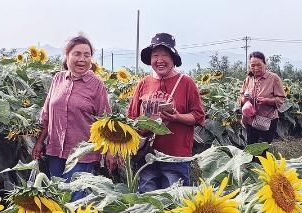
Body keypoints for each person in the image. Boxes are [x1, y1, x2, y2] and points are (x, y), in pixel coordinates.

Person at [31, 35, 116, 200]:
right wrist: (40, 142)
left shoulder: (96, 85)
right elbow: (47, 115)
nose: (82, 59)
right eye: (77, 54)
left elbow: (106, 121)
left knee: (75, 202)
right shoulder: (58, 79)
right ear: (67, 55)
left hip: (82, 156)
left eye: (87, 55)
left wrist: (110, 152)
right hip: (55, 151)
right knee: (57, 198)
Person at [128, 33, 205, 193]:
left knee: (175, 202)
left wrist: (177, 117)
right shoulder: (144, 83)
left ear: (173, 58)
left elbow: (198, 116)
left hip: (175, 156)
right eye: (155, 55)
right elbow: (132, 117)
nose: (159, 60)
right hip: (148, 155)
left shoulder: (186, 83)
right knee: (148, 201)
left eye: (164, 55)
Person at [239, 51, 286, 145]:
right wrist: (245, 99)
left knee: (263, 149)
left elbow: (281, 99)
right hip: (250, 120)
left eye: (259, 65)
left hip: (267, 120)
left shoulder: (273, 78)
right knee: (251, 148)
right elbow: (240, 97)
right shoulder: (249, 79)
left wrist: (267, 101)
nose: (255, 68)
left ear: (265, 64)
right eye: (252, 66)